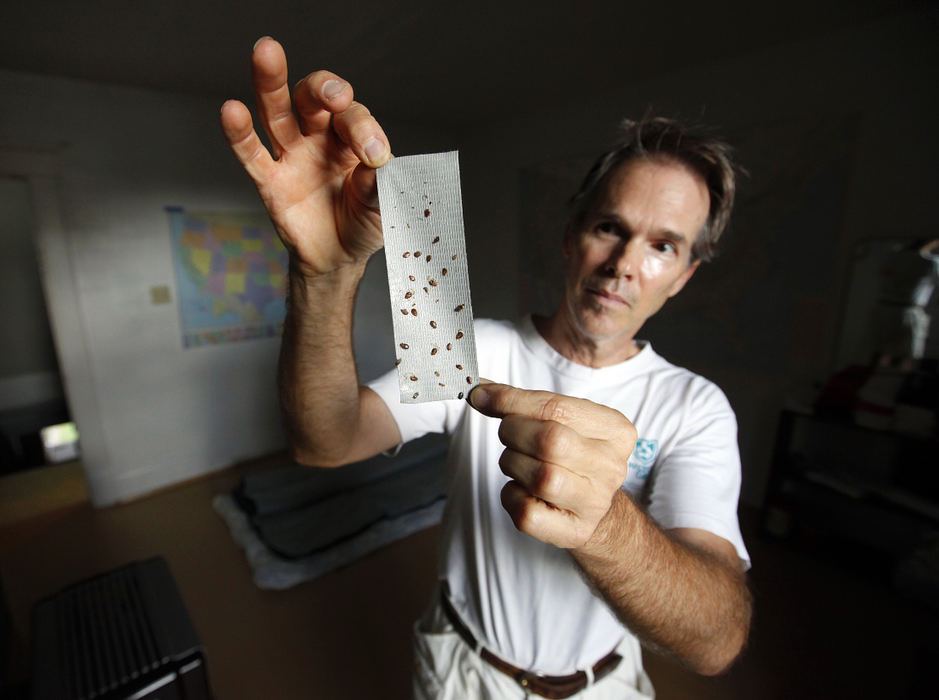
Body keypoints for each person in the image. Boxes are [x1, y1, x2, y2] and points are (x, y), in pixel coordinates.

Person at [221, 37, 752, 699]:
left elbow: (716, 639)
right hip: (459, 673)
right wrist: (324, 275)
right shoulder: (469, 345)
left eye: (662, 246)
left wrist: (605, 524)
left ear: (681, 277)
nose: (622, 265)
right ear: (570, 237)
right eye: (609, 227)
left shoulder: (694, 407)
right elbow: (324, 442)